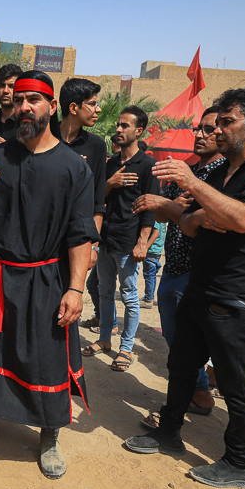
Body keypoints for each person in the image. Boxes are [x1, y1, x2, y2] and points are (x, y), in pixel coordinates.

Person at [125, 88, 245, 489]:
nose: (217, 130)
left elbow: (243, 218)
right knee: (181, 366)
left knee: (235, 383)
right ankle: (168, 433)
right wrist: (201, 214)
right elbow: (189, 223)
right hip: (199, 286)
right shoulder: (219, 173)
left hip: (234, 295)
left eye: (226, 122)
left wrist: (195, 189)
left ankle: (238, 464)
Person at [0, 70, 99, 479]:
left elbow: (81, 234)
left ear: (52, 106)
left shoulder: (73, 168)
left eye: (34, 99)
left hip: (46, 281)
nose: (24, 106)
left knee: (46, 361)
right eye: (19, 99)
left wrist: (76, 289)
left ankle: (49, 439)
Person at [132, 106, 227, 425]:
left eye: (209, 129)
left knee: (188, 344)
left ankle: (196, 394)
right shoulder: (187, 170)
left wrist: (170, 207)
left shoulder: (224, 176)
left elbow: (204, 221)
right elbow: (161, 215)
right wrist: (172, 207)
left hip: (197, 272)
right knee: (175, 339)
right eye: (199, 128)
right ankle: (198, 390)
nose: (200, 134)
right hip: (172, 268)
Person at [82, 106, 158, 372]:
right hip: (105, 239)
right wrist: (110, 182)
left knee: (129, 296)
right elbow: (97, 198)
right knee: (104, 292)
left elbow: (150, 208)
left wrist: (142, 242)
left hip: (128, 242)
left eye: (125, 125)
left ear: (139, 131)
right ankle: (104, 339)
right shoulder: (111, 164)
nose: (118, 129)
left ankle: (126, 348)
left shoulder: (147, 165)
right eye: (118, 124)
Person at [57, 78, 108, 334]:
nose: (98, 109)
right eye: (93, 103)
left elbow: (98, 201)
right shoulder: (45, 136)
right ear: (73, 107)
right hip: (43, 237)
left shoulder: (96, 146)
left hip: (77, 239)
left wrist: (93, 246)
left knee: (69, 300)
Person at [140, 220, 166, 309]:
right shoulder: (163, 218)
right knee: (152, 275)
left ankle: (148, 300)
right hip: (157, 250)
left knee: (149, 275)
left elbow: (156, 233)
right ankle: (150, 297)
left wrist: (145, 247)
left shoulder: (155, 218)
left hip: (151, 250)